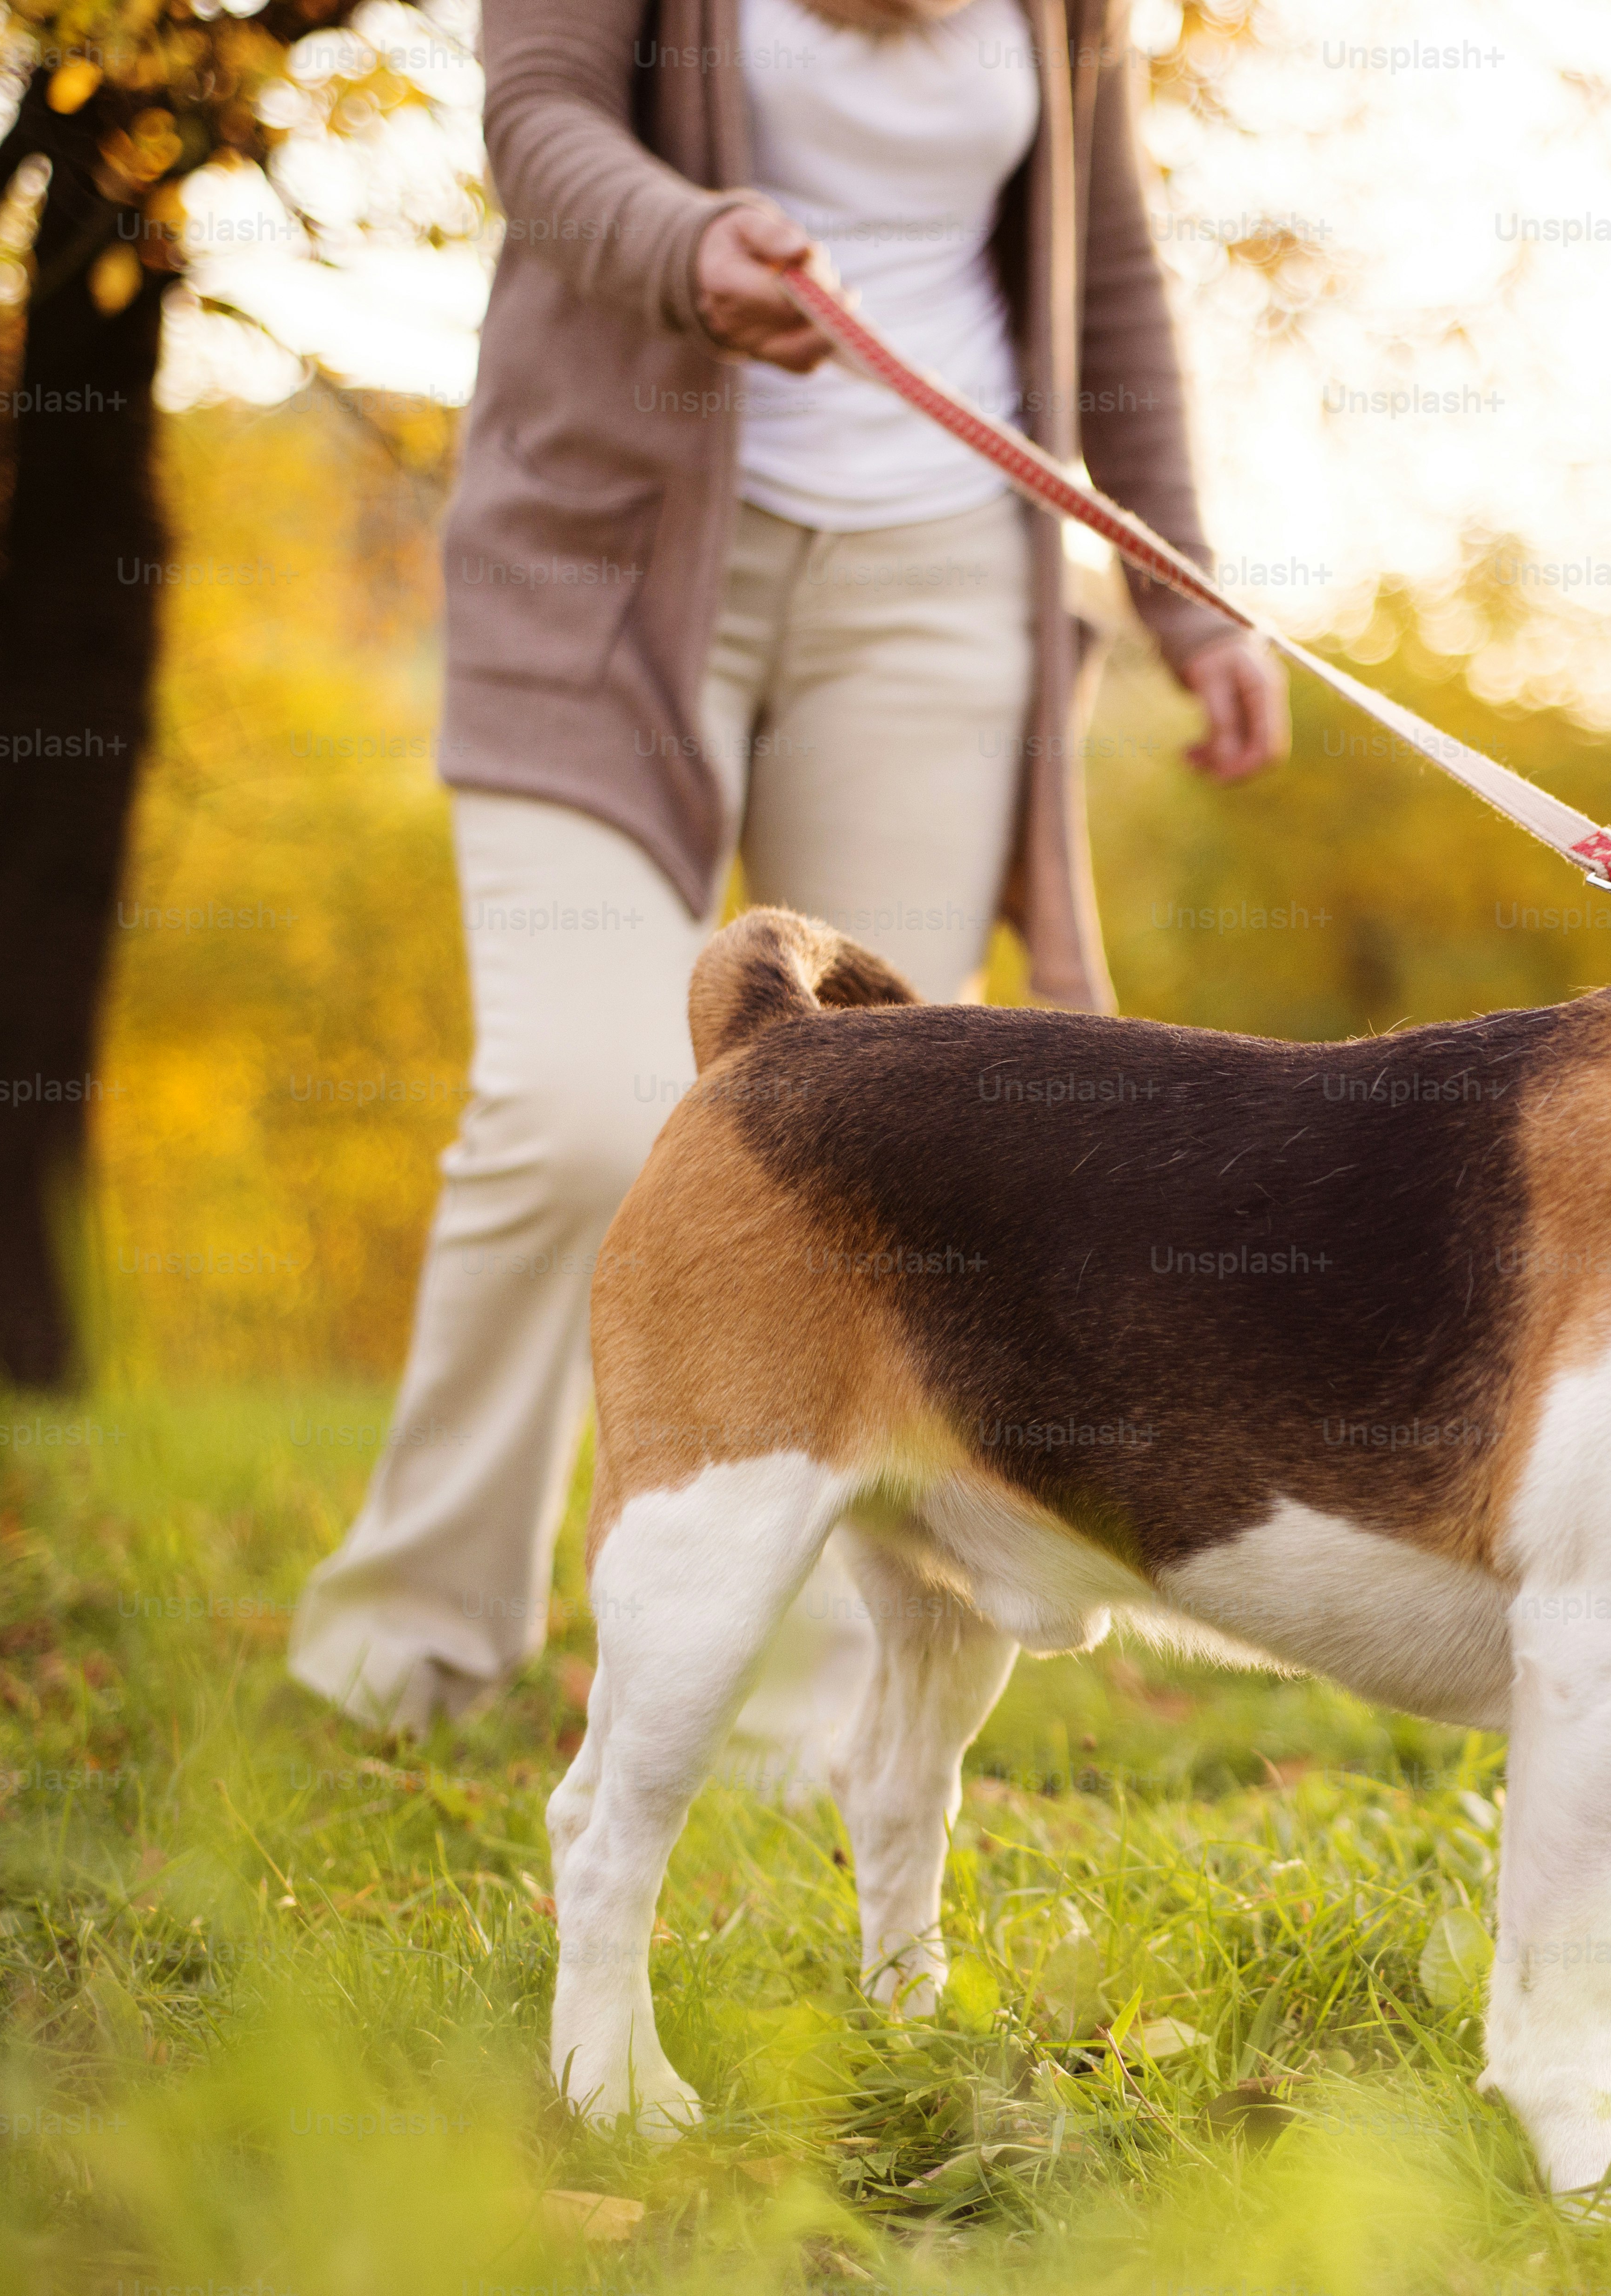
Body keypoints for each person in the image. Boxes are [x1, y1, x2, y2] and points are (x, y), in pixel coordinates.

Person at [289, 0, 1287, 1775]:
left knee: (876, 1168)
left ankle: (788, 1720)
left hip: (940, 571)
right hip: (605, 558)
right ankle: (413, 1639)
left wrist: (1183, 589)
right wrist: (687, 239)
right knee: (580, 1111)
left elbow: (1110, 266)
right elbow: (540, 125)